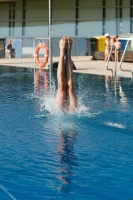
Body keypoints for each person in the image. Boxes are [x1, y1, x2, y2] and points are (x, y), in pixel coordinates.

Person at [56, 37, 77, 112]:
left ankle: (66, 52)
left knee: (67, 86)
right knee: (66, 86)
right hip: (61, 121)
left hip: (71, 120)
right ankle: (64, 52)